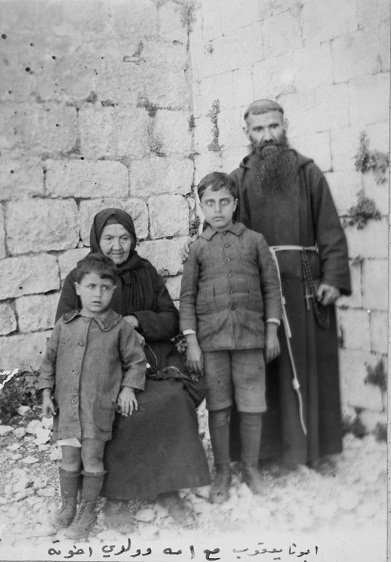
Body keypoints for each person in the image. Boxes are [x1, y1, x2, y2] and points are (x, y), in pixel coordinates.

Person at [56, 208, 210, 529]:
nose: (117, 245)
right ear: (97, 239)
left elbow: (170, 318)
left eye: (124, 237)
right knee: (121, 410)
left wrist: (137, 320)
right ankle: (117, 497)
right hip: (101, 374)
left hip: (150, 364)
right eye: (109, 238)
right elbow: (65, 326)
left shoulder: (145, 271)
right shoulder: (81, 276)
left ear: (133, 239)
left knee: (172, 400)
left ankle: (168, 489)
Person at [228, 98, 351, 468]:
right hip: (258, 287)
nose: (267, 136)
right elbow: (222, 230)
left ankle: (318, 450)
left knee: (313, 365)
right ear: (247, 134)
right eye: (258, 129)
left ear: (285, 126)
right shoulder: (238, 180)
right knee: (263, 367)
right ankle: (265, 453)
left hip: (306, 284)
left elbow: (329, 227)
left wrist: (333, 277)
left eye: (273, 127)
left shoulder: (308, 172)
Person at [180, 172, 282, 502]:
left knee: (252, 405)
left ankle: (250, 468)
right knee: (219, 407)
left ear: (235, 203)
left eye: (224, 202)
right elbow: (187, 297)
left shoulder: (255, 241)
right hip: (211, 343)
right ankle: (222, 469)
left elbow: (271, 288)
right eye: (210, 203)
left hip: (251, 340)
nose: (218, 209)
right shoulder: (197, 249)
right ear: (201, 208)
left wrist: (271, 330)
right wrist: (192, 341)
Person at [39, 254, 146, 540]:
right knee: (69, 458)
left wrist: (127, 388)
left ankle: (87, 511)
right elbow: (49, 360)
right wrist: (47, 393)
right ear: (77, 288)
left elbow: (136, 361)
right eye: (91, 286)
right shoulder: (65, 324)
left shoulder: (120, 328)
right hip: (67, 410)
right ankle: (67, 507)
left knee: (92, 458)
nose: (97, 294)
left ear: (113, 291)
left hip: (96, 409)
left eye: (105, 288)